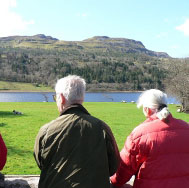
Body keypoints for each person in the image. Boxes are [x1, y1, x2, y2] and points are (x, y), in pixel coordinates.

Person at [34, 75, 120, 188]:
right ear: (82, 98)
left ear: (61, 98)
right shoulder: (102, 128)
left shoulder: (46, 130)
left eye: (55, 98)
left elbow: (41, 163)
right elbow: (114, 166)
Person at [110, 89, 189, 188]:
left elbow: (125, 168)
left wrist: (114, 183)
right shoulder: (186, 128)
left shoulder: (140, 134)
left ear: (147, 109)